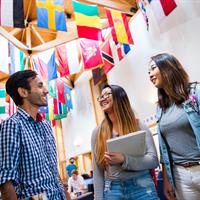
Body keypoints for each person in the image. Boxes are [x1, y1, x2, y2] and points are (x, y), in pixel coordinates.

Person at [0, 70, 68, 200]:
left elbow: (55, 174)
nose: (46, 91)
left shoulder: (46, 125)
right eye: (40, 85)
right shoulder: (12, 126)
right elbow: (6, 182)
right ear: (23, 92)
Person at [91, 84, 159, 200]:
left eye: (107, 94)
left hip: (142, 186)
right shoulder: (97, 132)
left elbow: (153, 160)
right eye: (100, 97)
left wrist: (124, 159)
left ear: (119, 97)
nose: (102, 99)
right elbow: (97, 172)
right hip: (113, 190)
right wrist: (98, 198)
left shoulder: (138, 125)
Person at [148, 53, 200, 200]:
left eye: (153, 69)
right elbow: (164, 150)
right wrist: (166, 180)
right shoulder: (160, 108)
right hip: (180, 175)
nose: (150, 75)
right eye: (148, 72)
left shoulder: (195, 92)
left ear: (168, 67)